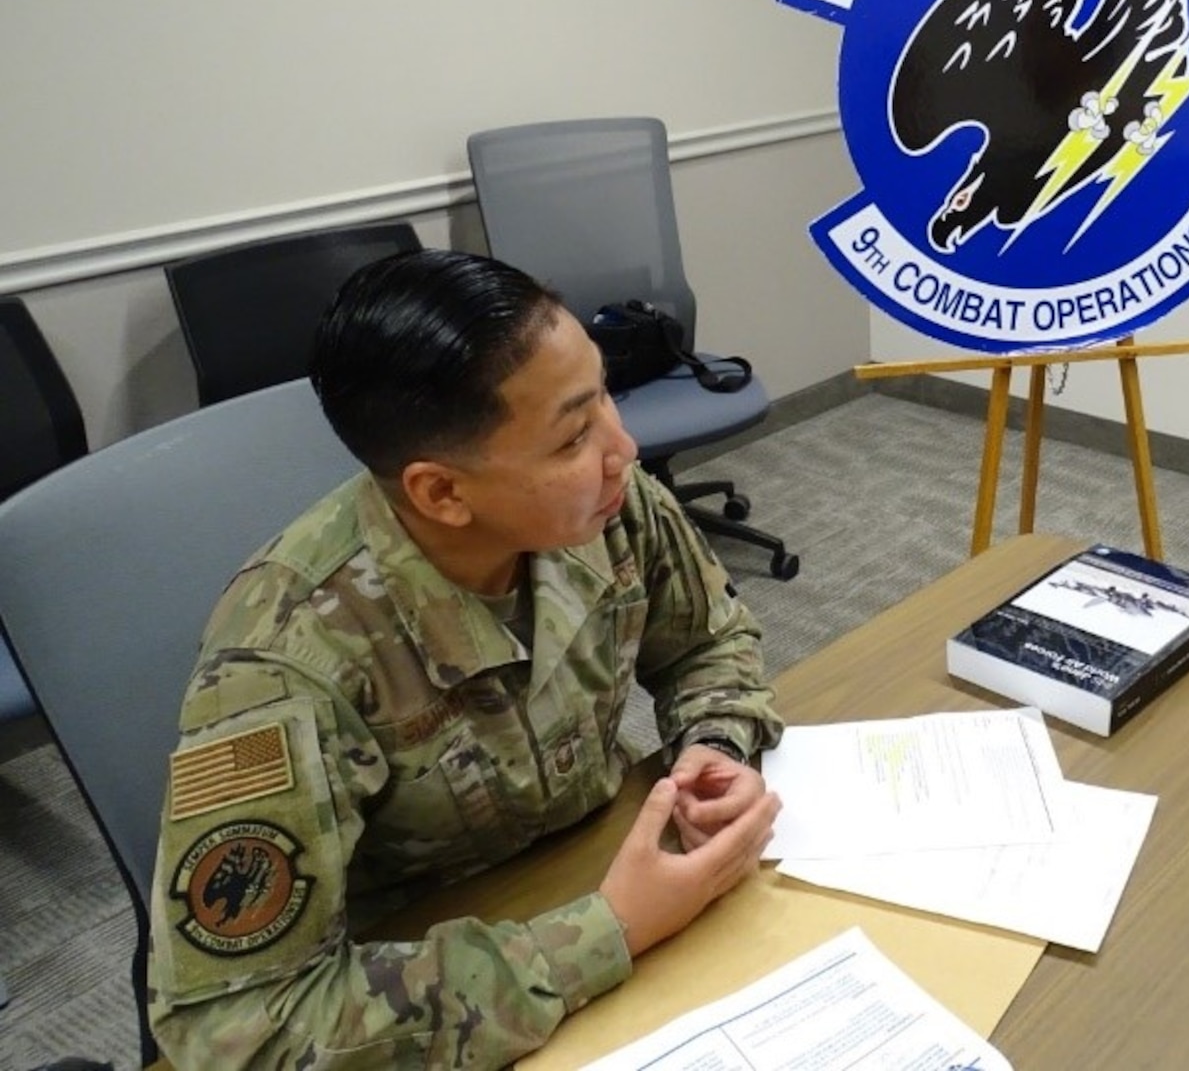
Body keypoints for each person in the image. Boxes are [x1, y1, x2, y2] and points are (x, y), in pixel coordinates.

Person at [147, 249, 784, 1068]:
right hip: (426, 987)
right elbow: (240, 1027)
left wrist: (713, 744)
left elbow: (707, 641)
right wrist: (603, 931)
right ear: (442, 493)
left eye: (606, 400)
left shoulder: (607, 502)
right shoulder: (285, 664)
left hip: (593, 866)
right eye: (572, 435)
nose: (623, 447)